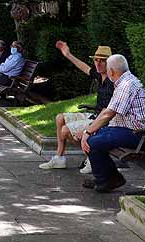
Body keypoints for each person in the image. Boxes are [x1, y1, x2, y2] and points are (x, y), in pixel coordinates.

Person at [78, 54, 145, 193]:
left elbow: (109, 113)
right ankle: (110, 178)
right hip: (127, 129)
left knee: (93, 142)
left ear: (111, 71)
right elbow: (108, 110)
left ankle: (106, 180)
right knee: (96, 135)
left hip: (138, 134)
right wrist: (90, 129)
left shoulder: (126, 84)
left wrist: (87, 132)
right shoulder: (124, 82)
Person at [39, 43, 116, 172]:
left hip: (102, 120)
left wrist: (89, 129)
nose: (98, 63)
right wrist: (68, 54)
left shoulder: (112, 81)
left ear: (109, 63)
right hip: (95, 115)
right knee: (60, 118)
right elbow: (84, 67)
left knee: (65, 130)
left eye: (102, 61)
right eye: (96, 60)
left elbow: (108, 113)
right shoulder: (99, 75)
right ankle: (59, 158)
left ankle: (92, 158)